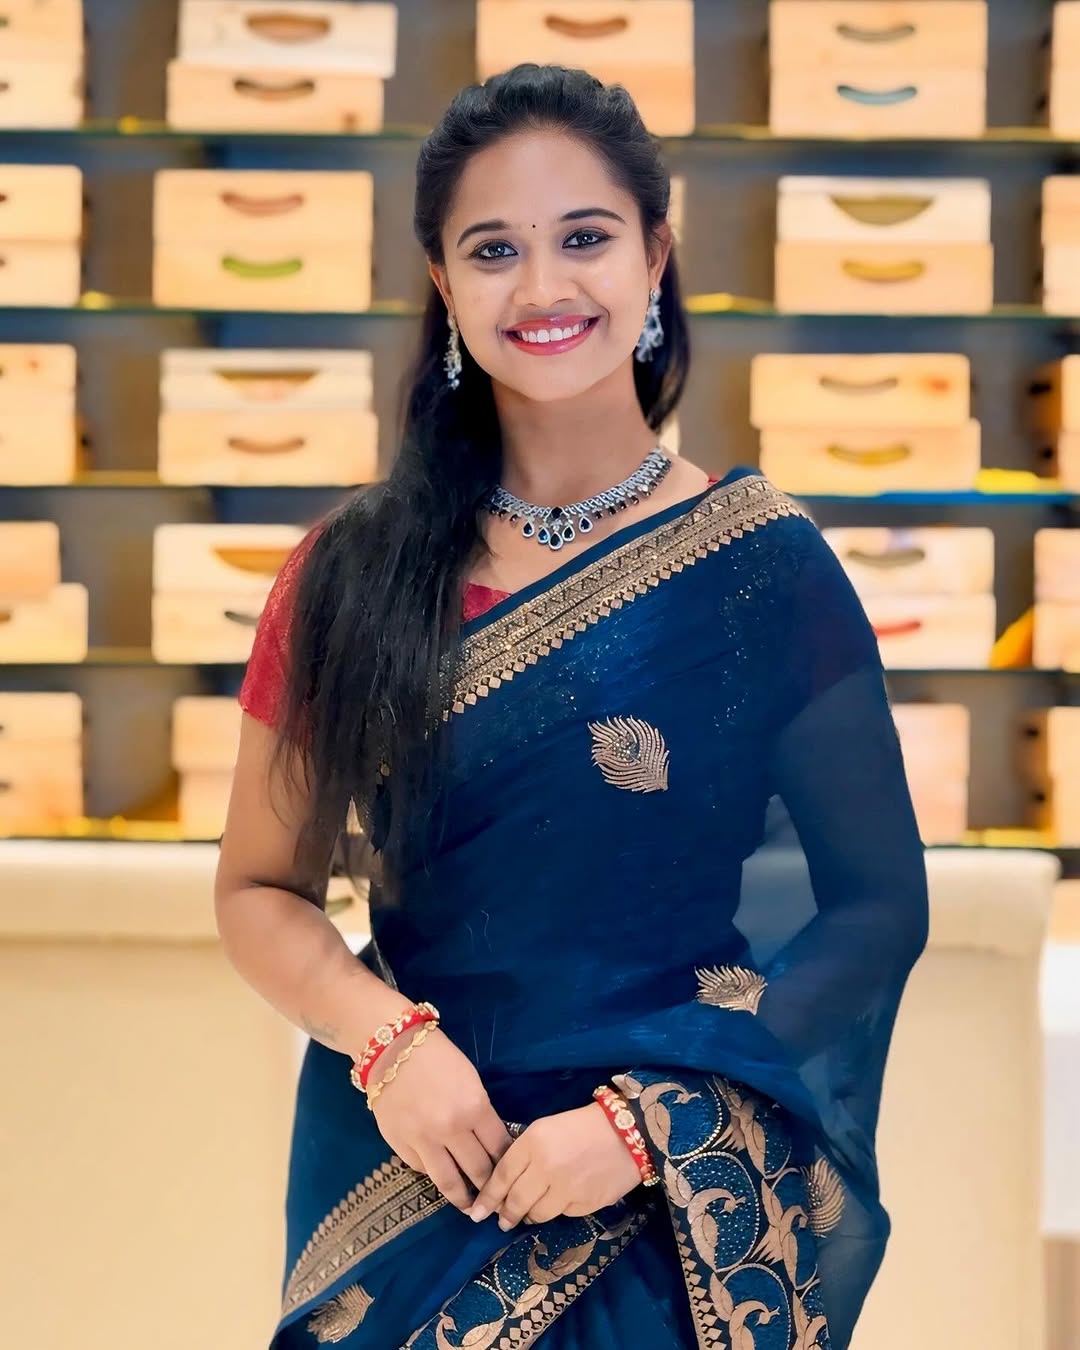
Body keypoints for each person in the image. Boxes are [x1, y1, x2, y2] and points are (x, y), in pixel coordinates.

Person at [215, 63, 929, 1350]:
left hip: (663, 1205)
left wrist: (652, 1125)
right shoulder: (350, 575)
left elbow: (873, 905)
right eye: (494, 250)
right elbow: (260, 889)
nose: (543, 287)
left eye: (585, 238)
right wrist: (389, 1049)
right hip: (416, 1174)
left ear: (656, 254)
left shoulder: (762, 570)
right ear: (444, 286)